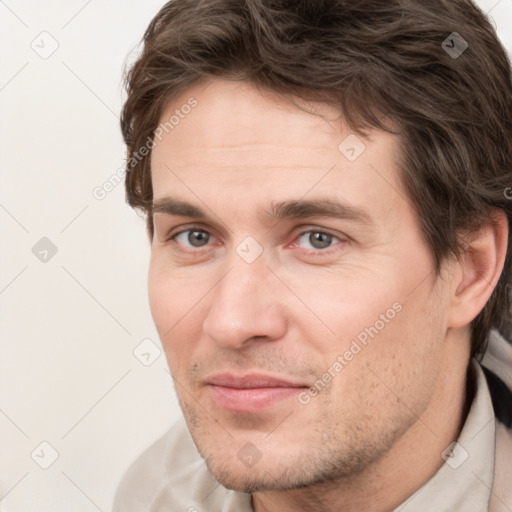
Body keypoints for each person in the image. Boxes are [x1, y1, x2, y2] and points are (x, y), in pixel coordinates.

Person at [113, 0, 512, 510]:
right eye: (195, 236)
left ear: (470, 271)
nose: (232, 322)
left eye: (317, 239)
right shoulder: (155, 493)